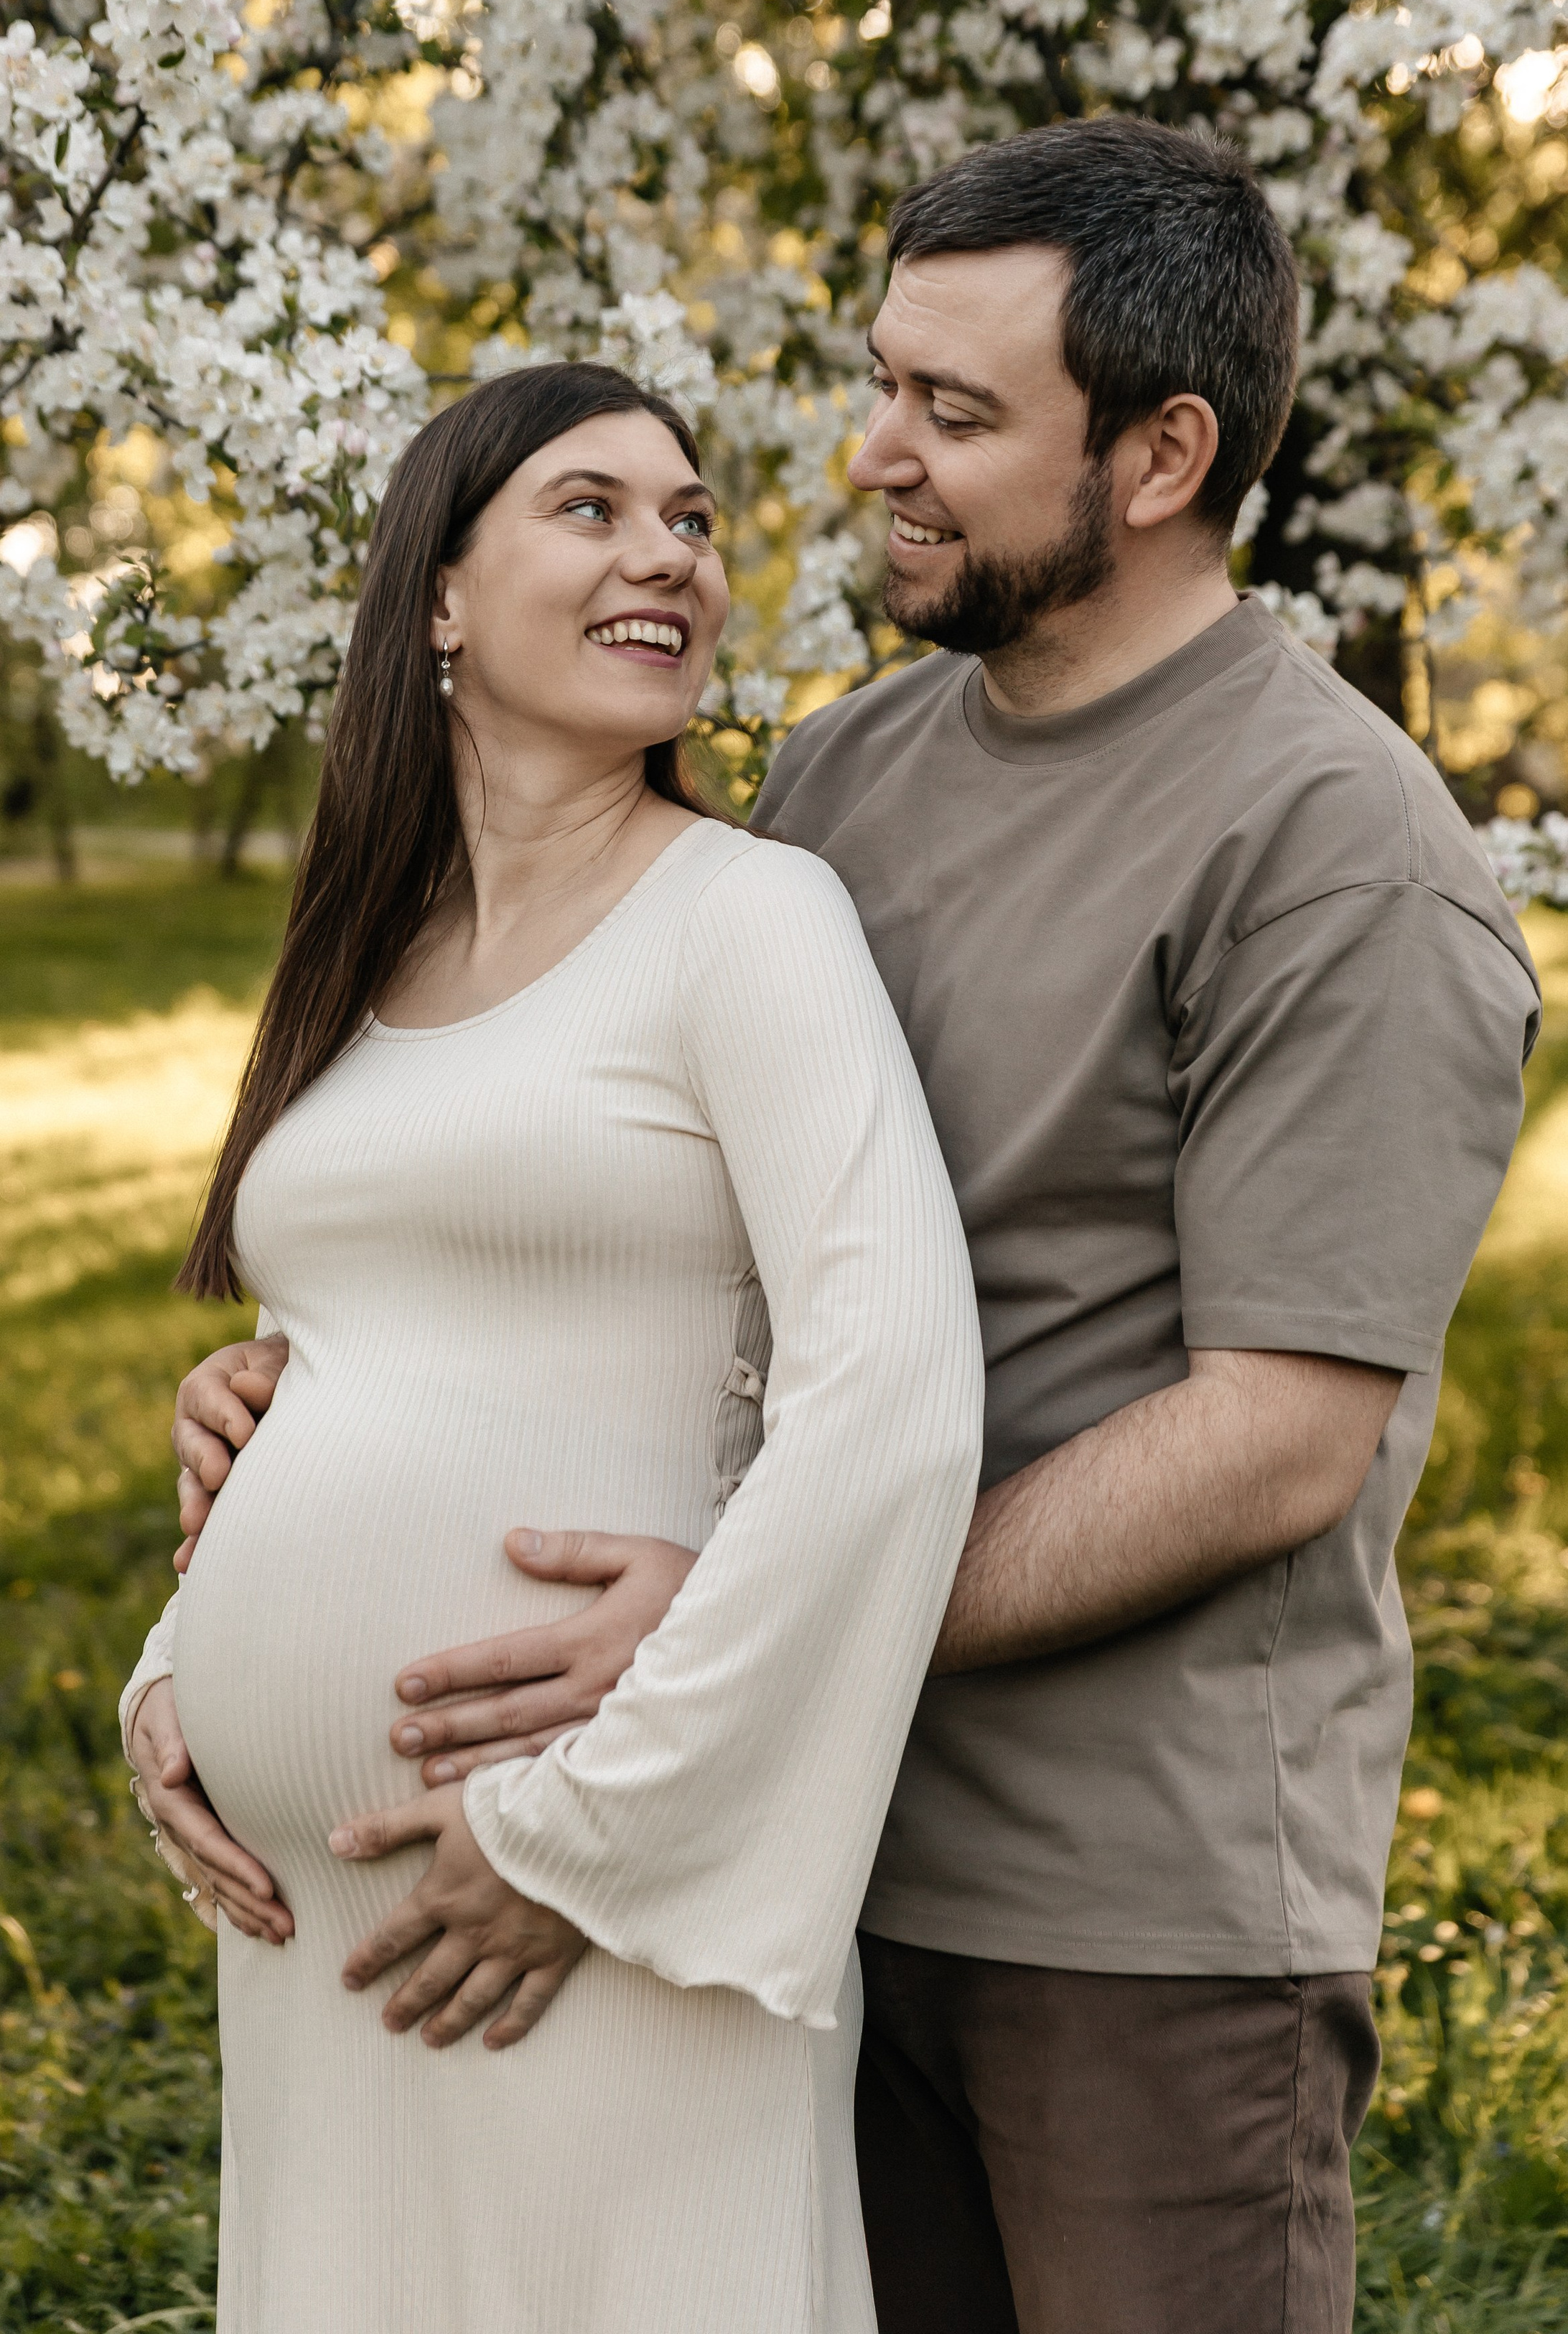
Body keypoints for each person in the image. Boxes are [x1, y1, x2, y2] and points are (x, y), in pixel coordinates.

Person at [156, 118, 1542, 2333]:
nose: (872, 454)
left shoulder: (1334, 847)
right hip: (789, 1851)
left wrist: (739, 1631)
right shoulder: (846, 780)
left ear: (1162, 454)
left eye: (957, 413)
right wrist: (323, 1391)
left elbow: (1282, 1431)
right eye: (883, 380)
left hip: (1126, 1907)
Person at [118, 358, 985, 2333]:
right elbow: (323, 1371)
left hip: (602, 1888)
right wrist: (178, 1675)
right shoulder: (364, 956)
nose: (665, 552)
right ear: (437, 592)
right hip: (329, 1910)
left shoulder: (751, 922)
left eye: (689, 518)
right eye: (589, 509)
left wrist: (591, 1843)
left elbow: (899, 1409)